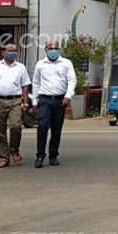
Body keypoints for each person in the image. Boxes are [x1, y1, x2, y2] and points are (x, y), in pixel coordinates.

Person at [0, 43, 31, 168]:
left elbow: (25, 86)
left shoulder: (21, 67)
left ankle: (14, 149)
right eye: (10, 51)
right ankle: (4, 157)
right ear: (3, 53)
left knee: (15, 126)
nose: (13, 53)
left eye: (15, 50)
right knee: (0, 130)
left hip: (15, 101)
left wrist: (25, 102)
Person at [31, 39, 77, 168]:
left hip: (59, 100)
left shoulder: (66, 63)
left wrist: (68, 95)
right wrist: (34, 101)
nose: (53, 50)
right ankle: (40, 155)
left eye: (55, 48)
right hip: (44, 99)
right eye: (50, 48)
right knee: (43, 127)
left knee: (56, 129)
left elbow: (72, 80)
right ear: (45, 49)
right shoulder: (40, 64)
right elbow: (35, 82)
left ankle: (53, 155)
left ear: (59, 49)